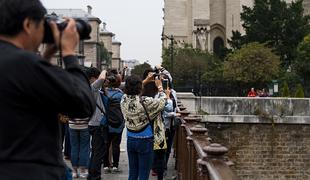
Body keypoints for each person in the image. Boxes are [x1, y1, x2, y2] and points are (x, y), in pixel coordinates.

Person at [0, 0, 96, 179]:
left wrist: (45, 58)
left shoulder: (17, 64)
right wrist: (68, 53)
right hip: (30, 171)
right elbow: (82, 103)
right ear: (28, 24)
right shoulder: (23, 63)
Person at [121, 75, 167, 180]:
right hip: (145, 139)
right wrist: (160, 88)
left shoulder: (123, 99)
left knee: (132, 172)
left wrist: (145, 80)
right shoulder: (145, 101)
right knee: (144, 173)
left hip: (131, 138)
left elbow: (130, 90)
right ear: (140, 88)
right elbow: (162, 102)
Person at [87, 68, 108, 180]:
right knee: (98, 153)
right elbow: (102, 78)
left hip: (93, 123)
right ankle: (95, 176)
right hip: (97, 125)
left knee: (95, 152)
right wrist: (104, 70)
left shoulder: (90, 88)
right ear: (92, 78)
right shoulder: (92, 88)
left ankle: (92, 175)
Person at [103, 70, 125, 173]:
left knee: (106, 144)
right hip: (118, 122)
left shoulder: (104, 93)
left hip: (107, 122)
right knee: (116, 144)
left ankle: (106, 165)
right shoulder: (120, 94)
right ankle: (115, 165)